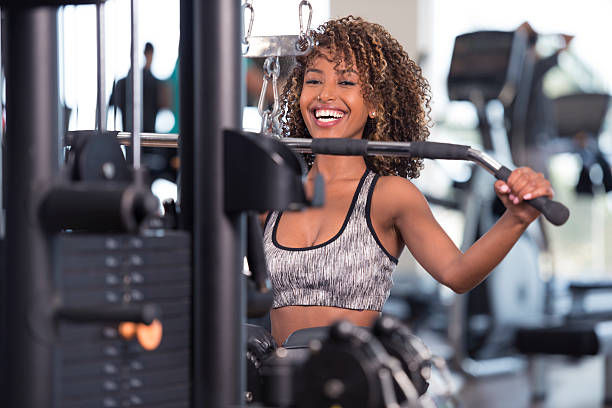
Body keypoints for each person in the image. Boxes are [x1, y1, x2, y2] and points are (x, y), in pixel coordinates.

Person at [261, 16, 554, 346]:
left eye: (346, 83)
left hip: (352, 383)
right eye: (313, 81)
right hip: (278, 384)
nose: (324, 95)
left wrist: (516, 219)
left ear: (374, 103)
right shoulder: (274, 194)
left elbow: (457, 274)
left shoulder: (390, 195)